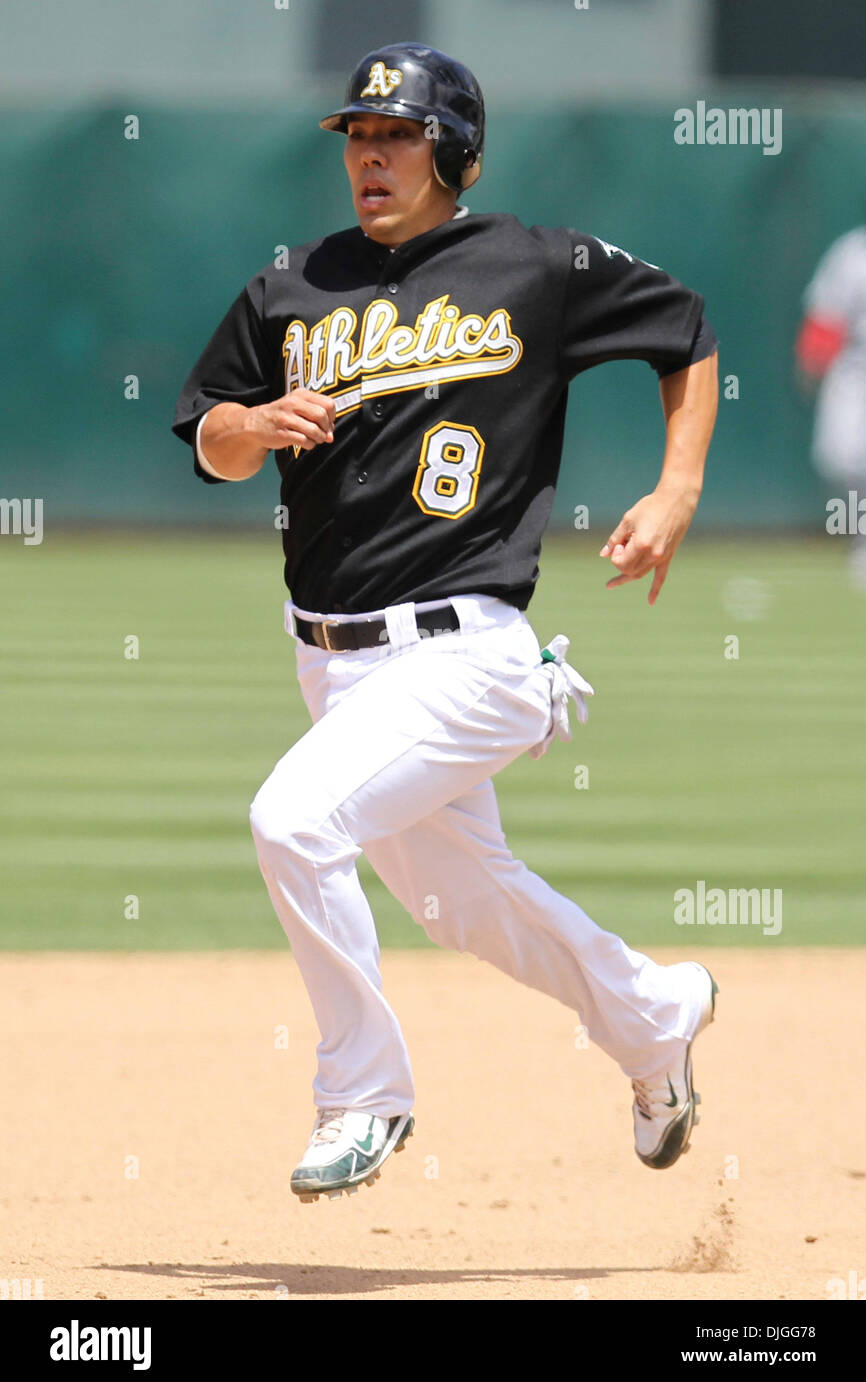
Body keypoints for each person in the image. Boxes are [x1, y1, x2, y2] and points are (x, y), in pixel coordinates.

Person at [172, 42, 720, 1203]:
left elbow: (684, 328)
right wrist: (255, 425)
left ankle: (363, 1092)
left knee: (291, 822)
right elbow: (210, 438)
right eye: (357, 137)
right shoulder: (292, 285)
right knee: (468, 907)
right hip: (331, 660)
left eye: (397, 136)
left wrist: (675, 489)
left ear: (454, 150)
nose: (368, 156)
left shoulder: (533, 265)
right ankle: (655, 1016)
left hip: (467, 652)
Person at [796, 218, 866, 586]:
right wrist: (813, 360)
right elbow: (826, 316)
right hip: (854, 371)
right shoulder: (853, 253)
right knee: (838, 458)